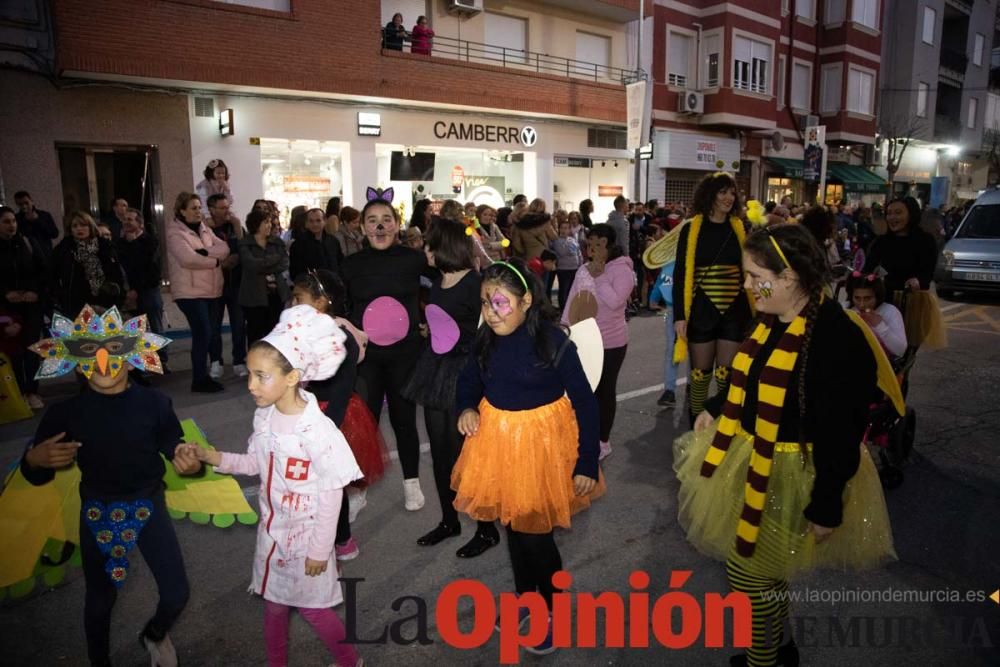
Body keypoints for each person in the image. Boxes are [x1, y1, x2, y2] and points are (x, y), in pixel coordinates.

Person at [673, 224, 896, 667]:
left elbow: (843, 431)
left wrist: (827, 503)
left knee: (749, 577)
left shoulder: (836, 336)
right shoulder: (774, 319)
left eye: (757, 276)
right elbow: (747, 374)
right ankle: (781, 648)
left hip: (796, 473)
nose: (748, 286)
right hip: (752, 460)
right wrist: (716, 407)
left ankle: (763, 660)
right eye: (747, 275)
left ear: (792, 276)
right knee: (765, 576)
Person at [22, 304, 201, 667]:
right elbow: (37, 474)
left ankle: (153, 634)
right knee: (100, 598)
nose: (104, 358)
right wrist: (33, 460)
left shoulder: (154, 403)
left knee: (176, 593)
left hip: (149, 506)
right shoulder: (64, 414)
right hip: (98, 511)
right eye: (89, 349)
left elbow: (176, 448)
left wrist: (188, 461)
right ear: (70, 355)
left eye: (115, 347)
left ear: (135, 350)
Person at [186, 306, 363, 667]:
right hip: (273, 535)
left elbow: (332, 492)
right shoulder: (265, 417)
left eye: (261, 376)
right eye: (250, 374)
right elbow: (256, 464)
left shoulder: (317, 431)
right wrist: (213, 457)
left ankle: (349, 661)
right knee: (274, 604)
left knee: (313, 610)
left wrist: (319, 550)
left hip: (307, 540)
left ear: (293, 376)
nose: (250, 384)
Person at [452, 259, 605, 654]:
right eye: (486, 303)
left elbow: (587, 404)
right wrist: (467, 407)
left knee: (535, 537)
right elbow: (468, 382)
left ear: (525, 302)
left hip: (541, 448)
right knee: (514, 530)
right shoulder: (486, 340)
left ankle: (553, 612)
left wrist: (587, 461)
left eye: (500, 302)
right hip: (499, 445)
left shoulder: (553, 342)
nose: (491, 311)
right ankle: (527, 601)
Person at [401, 219, 500, 557]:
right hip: (436, 369)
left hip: (465, 372)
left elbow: (490, 331)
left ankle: (486, 529)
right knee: (441, 452)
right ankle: (449, 520)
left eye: (429, 244)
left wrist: (456, 333)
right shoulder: (439, 281)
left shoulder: (476, 283)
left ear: (444, 247)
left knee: (468, 454)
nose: (424, 249)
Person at [291, 270, 385, 562]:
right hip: (304, 412)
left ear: (320, 303)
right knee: (308, 483)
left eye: (299, 298)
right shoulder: (300, 331)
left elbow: (344, 385)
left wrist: (326, 426)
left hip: (332, 416)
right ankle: (317, 536)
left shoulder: (340, 336)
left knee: (331, 485)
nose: (293, 303)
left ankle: (341, 538)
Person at [341, 198, 428, 511]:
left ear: (396, 224)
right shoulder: (350, 265)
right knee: (365, 422)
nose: (380, 226)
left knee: (405, 419)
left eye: (386, 219)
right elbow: (340, 308)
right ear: (363, 227)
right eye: (373, 220)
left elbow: (443, 286)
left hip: (405, 354)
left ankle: (412, 483)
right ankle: (358, 487)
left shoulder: (414, 259)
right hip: (367, 359)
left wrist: (432, 323)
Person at [673, 172, 754, 423]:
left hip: (734, 311)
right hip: (701, 310)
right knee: (700, 375)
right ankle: (697, 431)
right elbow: (680, 274)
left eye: (732, 193)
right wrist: (679, 316)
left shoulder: (740, 228)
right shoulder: (691, 229)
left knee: (726, 376)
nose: (729, 197)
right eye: (723, 192)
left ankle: (724, 430)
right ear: (710, 195)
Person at [560, 225, 633, 460]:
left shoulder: (623, 270)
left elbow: (615, 302)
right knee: (582, 391)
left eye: (597, 242)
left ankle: (603, 441)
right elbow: (573, 299)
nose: (592, 248)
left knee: (604, 391)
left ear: (608, 244)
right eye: (589, 242)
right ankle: (584, 436)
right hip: (583, 339)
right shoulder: (583, 268)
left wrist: (599, 276)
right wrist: (564, 327)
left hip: (611, 342)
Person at [166, 192, 230, 393]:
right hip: (189, 292)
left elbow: (224, 247)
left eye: (199, 207)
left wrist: (205, 253)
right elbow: (188, 259)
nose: (198, 212)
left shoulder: (204, 229)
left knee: (209, 333)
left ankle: (204, 376)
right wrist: (215, 261)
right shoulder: (175, 232)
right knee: (202, 332)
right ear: (182, 211)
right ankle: (199, 379)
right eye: (193, 208)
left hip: (211, 290)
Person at [863, 196, 945, 352]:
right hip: (883, 299)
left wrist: (917, 281)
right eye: (889, 213)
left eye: (898, 213)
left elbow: (927, 274)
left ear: (911, 214)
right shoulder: (881, 241)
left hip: (911, 302)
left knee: (905, 352)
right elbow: (868, 268)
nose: (892, 217)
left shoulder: (925, 240)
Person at [0, 205, 46, 409]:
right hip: (7, 308)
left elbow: (43, 271)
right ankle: (18, 392)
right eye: (6, 221)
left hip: (31, 306)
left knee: (32, 349)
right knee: (14, 352)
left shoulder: (27, 243)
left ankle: (32, 391)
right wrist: (6, 293)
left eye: (13, 221)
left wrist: (34, 292)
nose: (11, 225)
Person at [117, 208, 169, 371]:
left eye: (130, 219)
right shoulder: (120, 243)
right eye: (125, 219)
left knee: (155, 326)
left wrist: (134, 244)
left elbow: (147, 266)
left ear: (139, 223)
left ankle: (161, 360)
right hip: (129, 291)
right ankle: (140, 361)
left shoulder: (149, 241)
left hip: (148, 289)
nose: (127, 222)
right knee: (134, 328)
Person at [204, 194, 247, 379]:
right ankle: (215, 361)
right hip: (214, 283)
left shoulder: (234, 226)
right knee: (214, 325)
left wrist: (237, 226)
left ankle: (239, 360)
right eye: (221, 208)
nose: (225, 211)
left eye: (226, 207)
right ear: (211, 209)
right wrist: (220, 262)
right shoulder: (204, 228)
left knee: (238, 325)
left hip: (235, 283)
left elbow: (243, 247)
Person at [51, 211, 124, 316]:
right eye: (75, 226)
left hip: (104, 299)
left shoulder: (105, 246)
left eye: (83, 225)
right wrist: (60, 295)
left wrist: (117, 293)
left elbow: (116, 273)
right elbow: (52, 274)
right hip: (75, 302)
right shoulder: (64, 249)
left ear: (91, 226)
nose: (79, 229)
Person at [239, 209, 290, 345]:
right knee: (255, 331)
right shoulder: (245, 244)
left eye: (270, 222)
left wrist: (264, 264)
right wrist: (273, 259)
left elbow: (284, 263)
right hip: (253, 295)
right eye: (265, 222)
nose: (269, 226)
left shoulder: (277, 242)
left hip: (276, 293)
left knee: (274, 330)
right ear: (256, 224)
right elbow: (251, 264)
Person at [847, 271, 907, 359]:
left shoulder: (890, 311)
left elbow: (900, 350)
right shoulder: (847, 309)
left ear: (878, 297)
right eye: (857, 298)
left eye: (868, 298)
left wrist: (879, 325)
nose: (862, 304)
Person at [648, 259, 679, 407]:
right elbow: (662, 279)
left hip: (695, 310)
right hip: (673, 310)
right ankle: (669, 391)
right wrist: (654, 297)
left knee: (695, 349)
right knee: (671, 351)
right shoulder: (669, 263)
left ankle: (695, 387)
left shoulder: (696, 254)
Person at [290, 207, 343, 280]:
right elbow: (294, 272)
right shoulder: (298, 245)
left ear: (325, 221)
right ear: (306, 223)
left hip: (333, 285)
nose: (315, 224)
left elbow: (340, 263)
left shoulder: (333, 241)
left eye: (318, 220)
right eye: (311, 221)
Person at [13, 190, 59, 261]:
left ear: (31, 201)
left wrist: (37, 221)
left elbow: (55, 234)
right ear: (17, 205)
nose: (24, 206)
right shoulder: (16, 219)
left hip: (46, 255)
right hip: (27, 258)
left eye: (26, 203)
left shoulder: (44, 215)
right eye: (20, 204)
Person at [551, 217, 582, 311]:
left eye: (566, 228)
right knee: (563, 289)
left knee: (571, 289)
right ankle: (563, 309)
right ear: (559, 229)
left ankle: (570, 307)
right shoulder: (557, 241)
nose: (564, 230)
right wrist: (570, 248)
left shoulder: (572, 240)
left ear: (569, 230)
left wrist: (580, 264)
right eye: (562, 228)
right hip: (563, 269)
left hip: (574, 268)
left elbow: (578, 252)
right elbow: (562, 252)